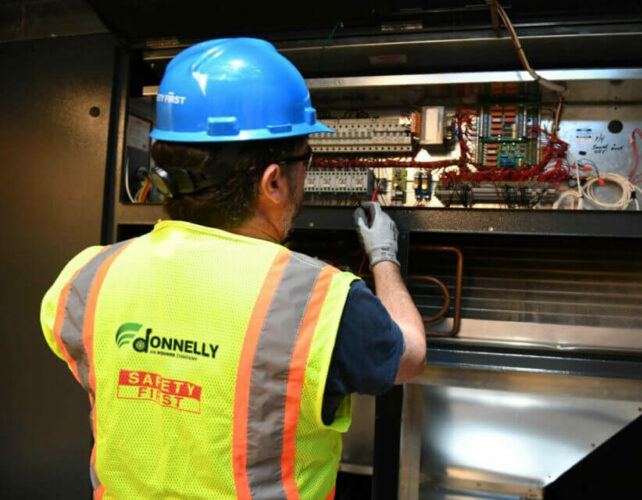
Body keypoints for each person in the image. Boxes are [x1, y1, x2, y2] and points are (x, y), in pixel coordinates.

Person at [39, 37, 425, 500]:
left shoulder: (86, 277)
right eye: (305, 159)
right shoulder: (325, 306)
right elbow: (411, 354)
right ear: (274, 181)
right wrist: (385, 256)